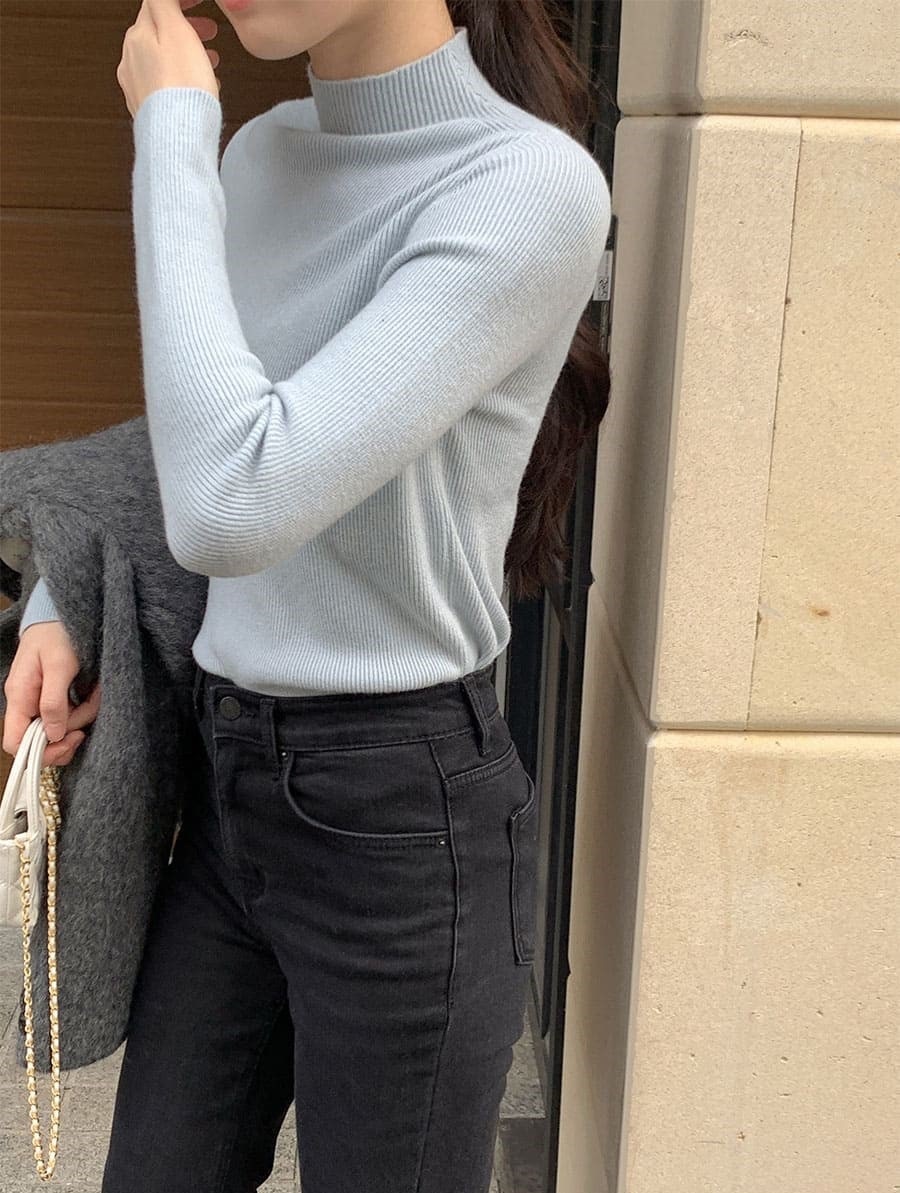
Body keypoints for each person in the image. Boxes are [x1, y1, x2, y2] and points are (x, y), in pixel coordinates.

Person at [2, 0, 611, 1188]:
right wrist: (58, 600)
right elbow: (197, 442)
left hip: (399, 814)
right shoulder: (260, 156)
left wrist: (170, 132)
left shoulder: (526, 187)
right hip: (230, 788)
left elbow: (236, 500)